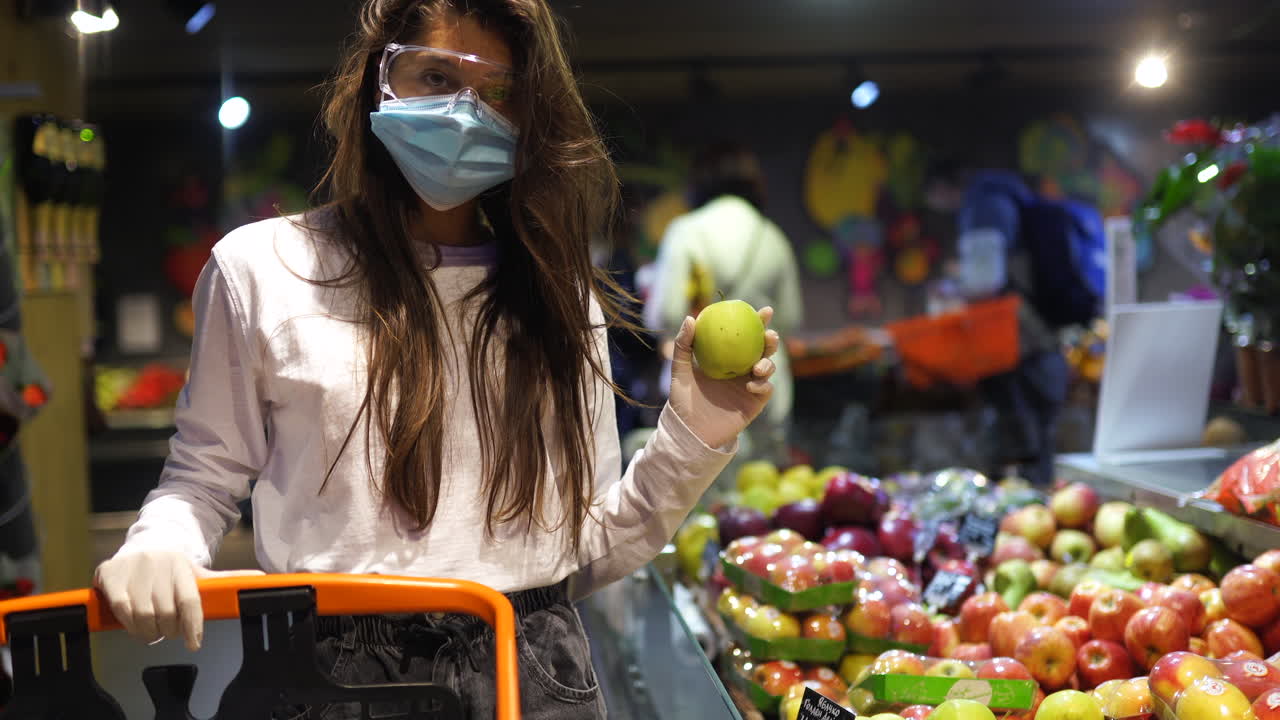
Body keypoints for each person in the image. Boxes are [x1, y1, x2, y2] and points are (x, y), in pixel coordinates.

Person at [92, 2, 779, 718]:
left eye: (499, 91)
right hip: (324, 676)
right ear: (375, 84)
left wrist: (695, 434)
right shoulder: (260, 270)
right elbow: (202, 478)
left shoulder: (556, 293)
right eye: (435, 75)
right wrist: (161, 543)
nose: (463, 112)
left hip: (534, 673)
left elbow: (592, 544)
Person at [643, 143, 802, 470]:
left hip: (703, 384)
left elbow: (663, 315)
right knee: (763, 483)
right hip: (764, 383)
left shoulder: (686, 231)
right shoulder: (773, 236)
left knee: (702, 486)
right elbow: (790, 317)